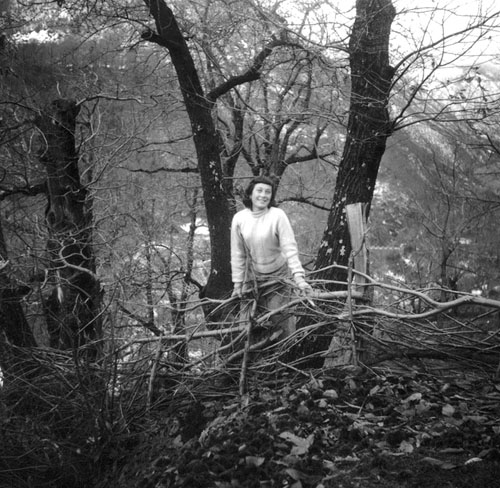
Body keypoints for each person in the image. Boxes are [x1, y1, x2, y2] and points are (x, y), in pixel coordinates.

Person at [230, 175, 312, 348]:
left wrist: (299, 278)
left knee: (280, 319)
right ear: (250, 194)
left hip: (278, 276)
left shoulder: (277, 215)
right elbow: (238, 254)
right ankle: (253, 359)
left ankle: (285, 356)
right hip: (252, 277)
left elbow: (289, 247)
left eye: (268, 192)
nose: (263, 195)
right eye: (259, 191)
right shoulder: (239, 218)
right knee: (247, 324)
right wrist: (238, 284)